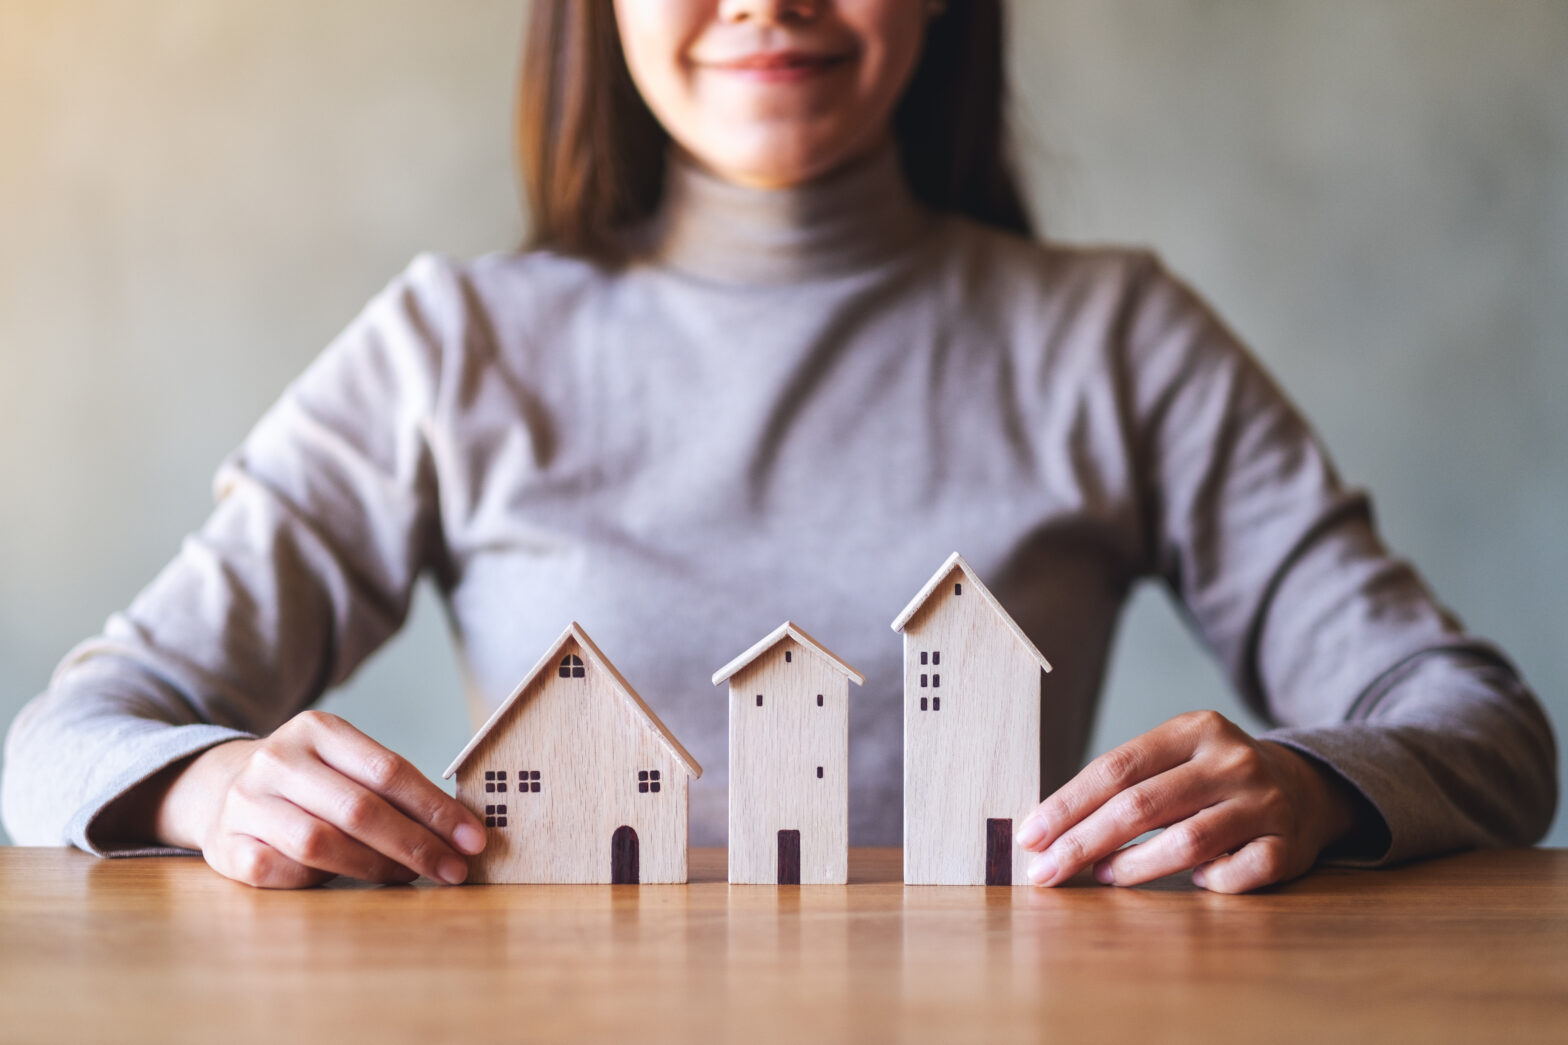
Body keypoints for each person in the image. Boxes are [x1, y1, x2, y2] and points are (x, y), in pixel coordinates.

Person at [1, 0, 1556, 892]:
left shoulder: (1116, 338)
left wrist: (1313, 781)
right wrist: (203, 787)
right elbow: (67, 738)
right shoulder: (451, 347)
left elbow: (1481, 724)